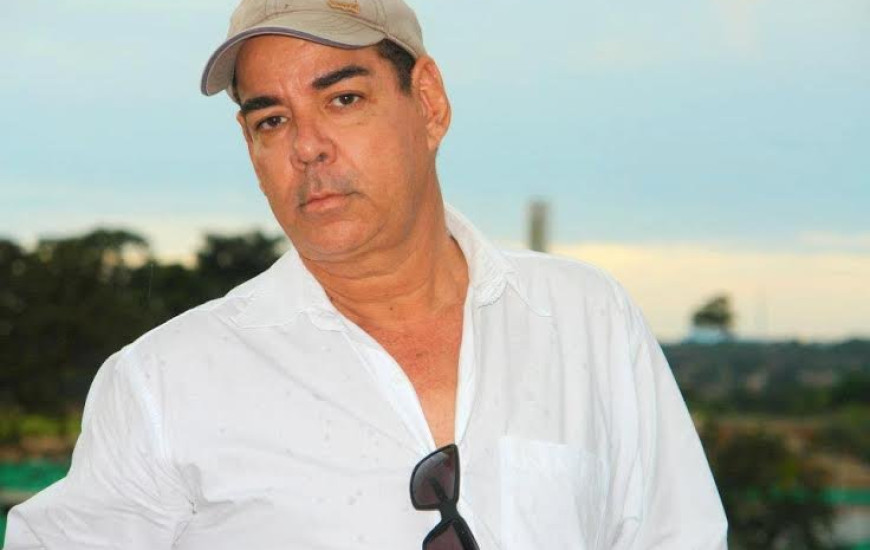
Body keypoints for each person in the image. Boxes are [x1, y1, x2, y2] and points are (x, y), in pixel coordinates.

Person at [5, 0, 728, 548]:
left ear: (429, 103)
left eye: (343, 99)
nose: (307, 147)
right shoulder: (163, 385)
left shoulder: (587, 321)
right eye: (271, 120)